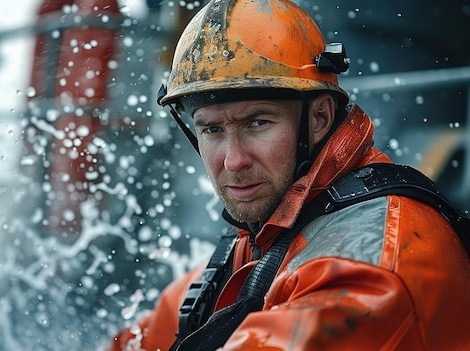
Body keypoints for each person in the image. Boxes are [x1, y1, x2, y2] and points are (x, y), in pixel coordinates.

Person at [109, 0, 470, 350]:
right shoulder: (271, 232)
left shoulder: (370, 271)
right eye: (211, 130)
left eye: (257, 122)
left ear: (319, 119)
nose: (233, 162)